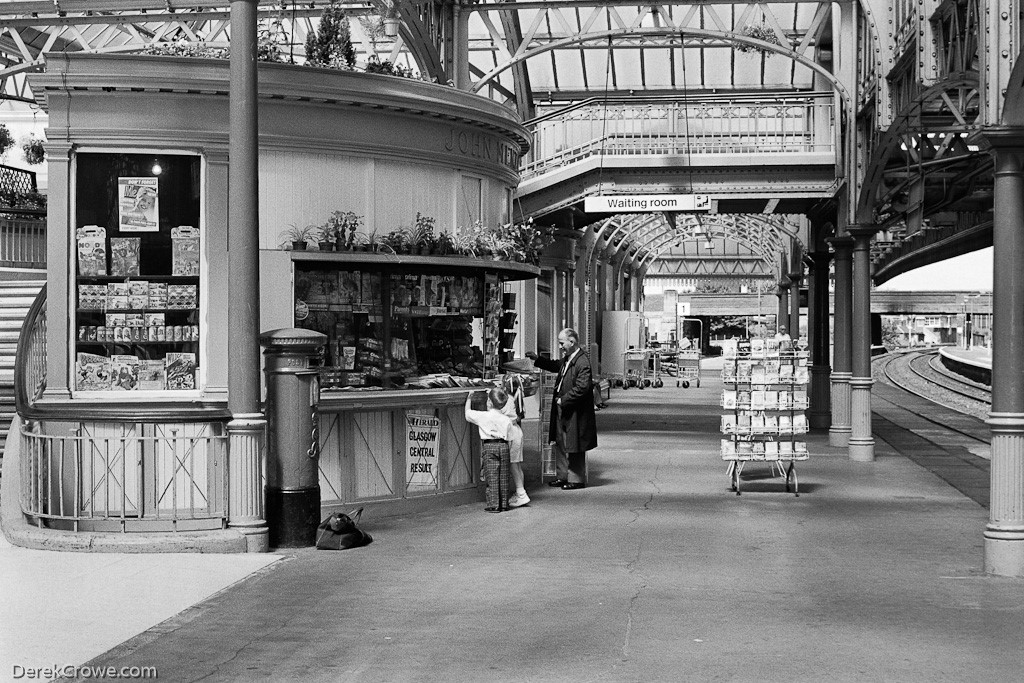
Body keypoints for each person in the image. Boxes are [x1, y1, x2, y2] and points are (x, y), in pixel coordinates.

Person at [526, 328, 598, 490]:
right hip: (563, 408)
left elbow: (582, 387)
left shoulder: (582, 362)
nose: (560, 346)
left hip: (573, 410)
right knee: (560, 441)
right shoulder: (569, 358)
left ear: (571, 342)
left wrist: (563, 400)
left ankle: (576, 479)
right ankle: (562, 476)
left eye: (561, 343)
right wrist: (538, 360)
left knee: (574, 444)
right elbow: (555, 365)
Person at [465, 387, 514, 512]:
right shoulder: (506, 419)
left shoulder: (483, 416)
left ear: (489, 402)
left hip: (489, 446)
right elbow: (511, 437)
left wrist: (470, 397)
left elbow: (468, 414)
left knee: (492, 475)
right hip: (504, 446)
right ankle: (504, 503)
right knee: (504, 476)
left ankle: (494, 504)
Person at [500, 374, 530, 508]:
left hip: (511, 434)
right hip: (517, 432)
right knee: (516, 465)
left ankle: (521, 494)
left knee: (513, 465)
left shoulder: (507, 401)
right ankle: (519, 492)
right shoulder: (516, 398)